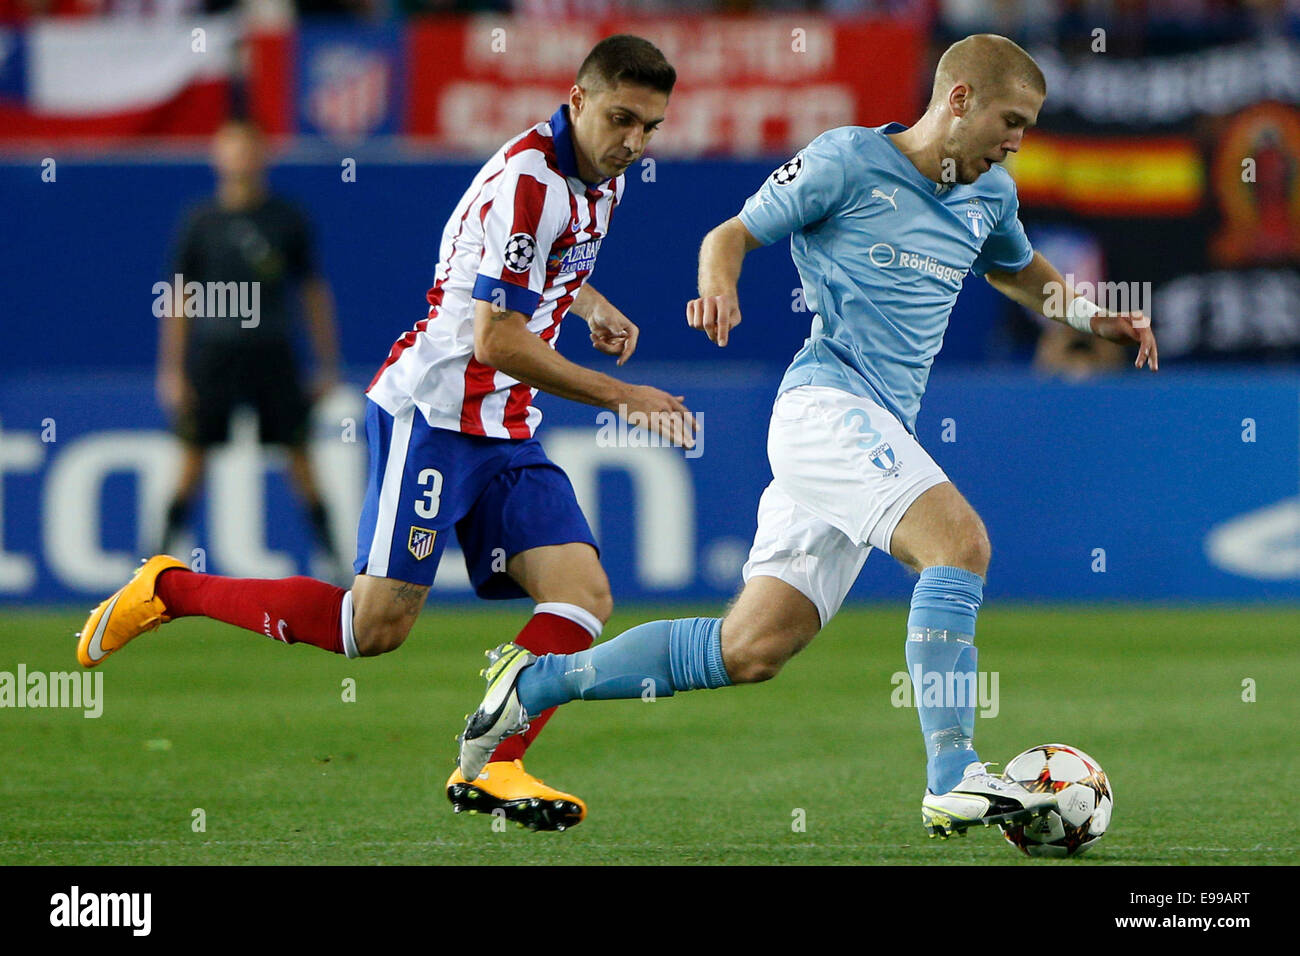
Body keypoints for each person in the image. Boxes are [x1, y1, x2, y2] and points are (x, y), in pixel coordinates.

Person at [457, 33, 1159, 838]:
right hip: (824, 407)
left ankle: (535, 684)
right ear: (959, 99)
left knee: (750, 648)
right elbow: (730, 234)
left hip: (874, 430)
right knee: (958, 545)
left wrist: (1091, 314)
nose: (1017, 140)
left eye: (1028, 127)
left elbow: (1012, 267)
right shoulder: (849, 161)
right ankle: (953, 773)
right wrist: (717, 286)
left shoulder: (989, 192)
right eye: (1011, 119)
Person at [77, 35, 694, 833]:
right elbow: (494, 339)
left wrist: (587, 302)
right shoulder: (529, 183)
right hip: (434, 414)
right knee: (370, 630)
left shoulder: (598, 176)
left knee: (582, 597)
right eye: (621, 119)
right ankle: (169, 588)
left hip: (505, 423)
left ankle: (494, 764)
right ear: (576, 100)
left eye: (650, 127)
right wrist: (622, 396)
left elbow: (522, 268)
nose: (635, 143)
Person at [156, 119, 347, 580]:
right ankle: (154, 564)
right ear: (216, 157)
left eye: (247, 148)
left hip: (272, 352)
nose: (239, 157)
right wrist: (173, 371)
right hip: (215, 353)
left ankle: (338, 567)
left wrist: (325, 364)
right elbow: (179, 298)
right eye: (231, 149)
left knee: (300, 458)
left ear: (263, 155)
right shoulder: (200, 221)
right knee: (192, 459)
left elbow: (314, 293)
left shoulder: (285, 218)